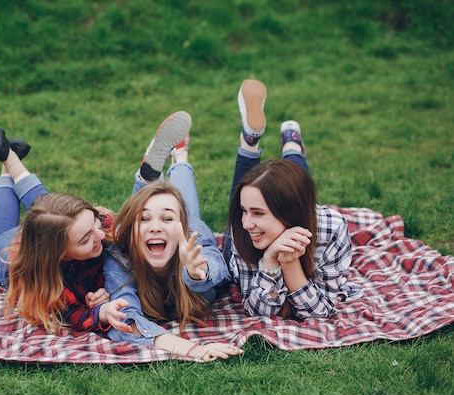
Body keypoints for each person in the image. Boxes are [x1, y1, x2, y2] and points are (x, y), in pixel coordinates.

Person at [105, 111, 242, 362]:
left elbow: (217, 266)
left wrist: (196, 273)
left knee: (181, 209)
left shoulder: (193, 241)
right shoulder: (120, 259)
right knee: (162, 208)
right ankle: (159, 170)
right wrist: (193, 349)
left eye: (166, 220)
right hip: (155, 232)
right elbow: (128, 323)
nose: (155, 227)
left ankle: (172, 161)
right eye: (145, 220)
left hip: (188, 229)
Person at [224, 79, 361, 319]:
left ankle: (289, 146)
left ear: (287, 212)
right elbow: (257, 311)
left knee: (294, 183)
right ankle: (258, 141)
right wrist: (269, 259)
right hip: (288, 216)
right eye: (245, 211)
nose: (246, 223)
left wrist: (288, 262)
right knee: (263, 185)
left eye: (258, 213)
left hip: (301, 215)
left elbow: (320, 312)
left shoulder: (331, 229)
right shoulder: (241, 229)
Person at [0, 128, 128, 334]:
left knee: (52, 210)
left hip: (47, 230)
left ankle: (9, 157)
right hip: (6, 250)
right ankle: (7, 169)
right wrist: (101, 309)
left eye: (94, 221)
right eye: (86, 239)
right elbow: (76, 315)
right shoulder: (44, 280)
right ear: (59, 253)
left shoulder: (91, 225)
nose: (101, 235)